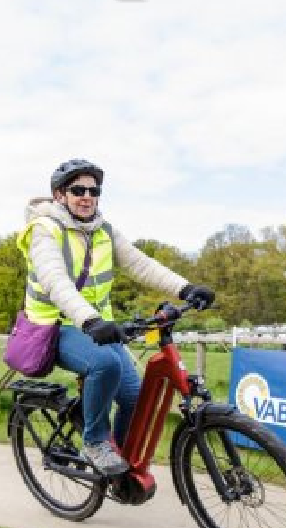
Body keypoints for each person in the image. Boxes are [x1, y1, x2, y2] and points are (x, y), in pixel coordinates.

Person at [16, 159, 215, 476]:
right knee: (104, 365)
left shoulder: (103, 231)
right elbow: (56, 281)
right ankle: (94, 442)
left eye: (93, 191)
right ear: (59, 195)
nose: (87, 196)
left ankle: (118, 463)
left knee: (136, 398)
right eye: (78, 189)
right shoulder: (44, 230)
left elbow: (140, 265)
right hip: (57, 327)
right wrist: (90, 320)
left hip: (96, 327)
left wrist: (186, 288)